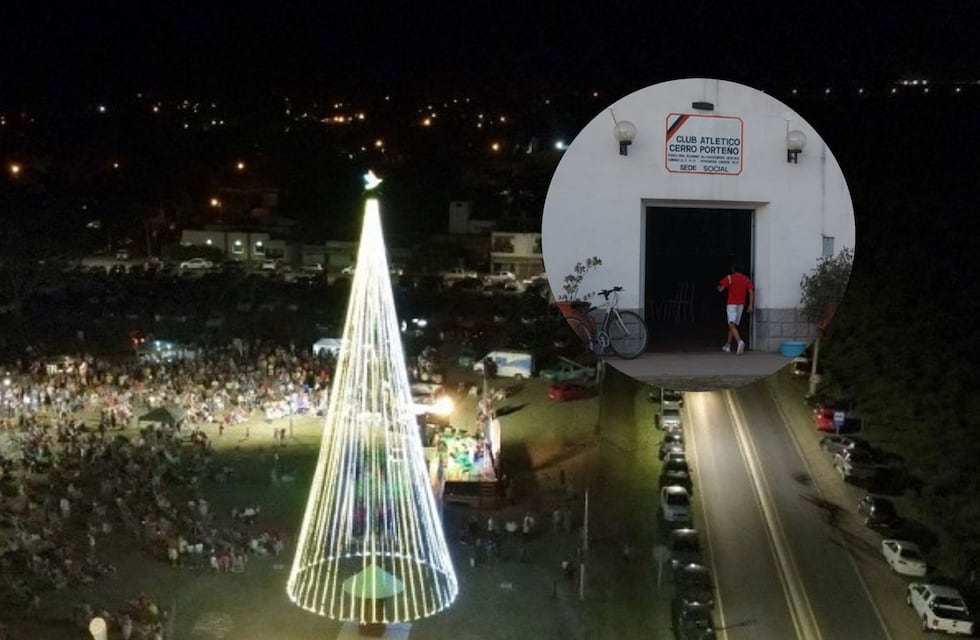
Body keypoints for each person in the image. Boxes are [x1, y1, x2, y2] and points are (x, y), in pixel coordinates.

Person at [716, 263, 754, 354]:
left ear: (733, 269)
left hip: (731, 304)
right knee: (733, 326)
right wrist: (750, 305)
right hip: (741, 305)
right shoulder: (746, 279)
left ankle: (739, 341)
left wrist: (718, 287)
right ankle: (728, 345)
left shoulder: (729, 277)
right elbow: (751, 291)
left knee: (731, 325)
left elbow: (721, 289)